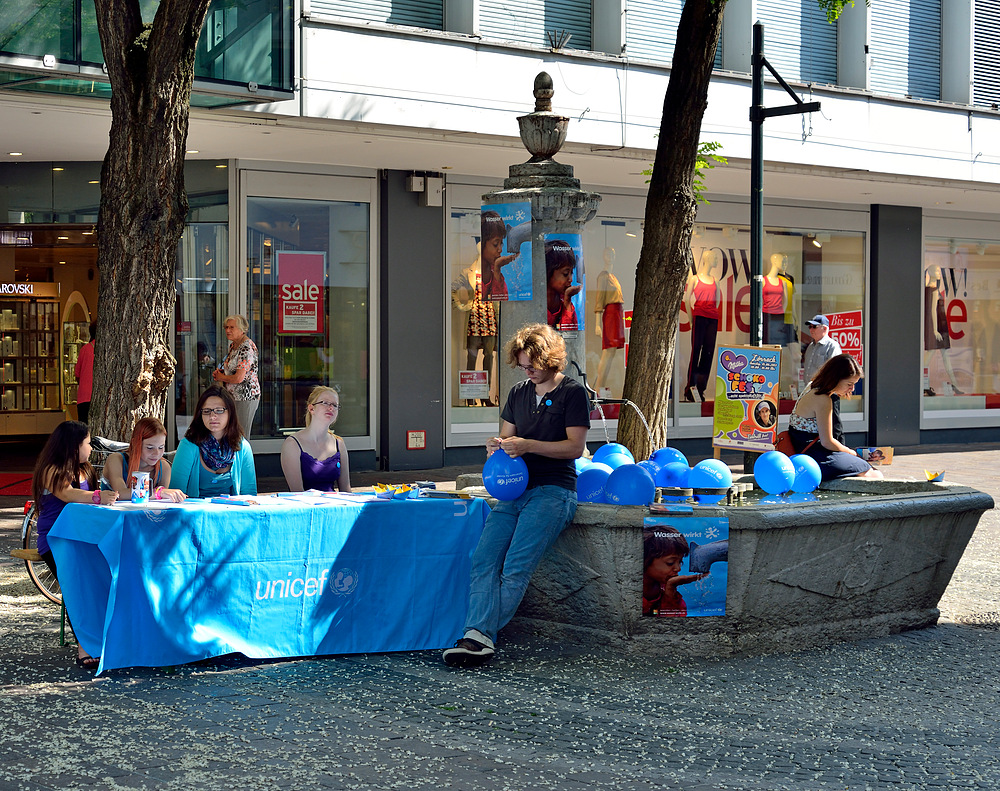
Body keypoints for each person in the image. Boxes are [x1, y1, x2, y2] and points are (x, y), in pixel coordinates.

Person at [443, 323, 591, 667]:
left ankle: (477, 635)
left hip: (554, 491)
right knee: (483, 559)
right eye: (523, 365)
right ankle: (478, 637)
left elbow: (575, 447)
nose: (527, 371)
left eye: (532, 366)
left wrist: (528, 445)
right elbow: (505, 441)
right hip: (514, 489)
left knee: (515, 567)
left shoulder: (572, 393)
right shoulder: (519, 392)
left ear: (550, 359)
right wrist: (495, 446)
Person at [32, 420, 119, 668]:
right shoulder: (51, 469)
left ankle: (105, 640)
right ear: (73, 445)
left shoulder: (86, 469)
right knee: (78, 587)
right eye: (87, 442)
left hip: (83, 538)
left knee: (106, 578)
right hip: (55, 539)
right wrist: (96, 496)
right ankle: (85, 647)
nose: (91, 448)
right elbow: (67, 494)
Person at [787, 354, 882, 480]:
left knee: (867, 468)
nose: (852, 389)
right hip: (815, 457)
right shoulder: (823, 399)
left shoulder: (812, 387)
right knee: (874, 474)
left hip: (803, 451)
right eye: (849, 384)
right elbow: (827, 442)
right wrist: (851, 453)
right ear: (835, 378)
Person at [172, 385, 258, 497]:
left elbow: (249, 494)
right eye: (207, 411)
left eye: (219, 410)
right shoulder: (188, 446)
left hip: (230, 512)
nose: (212, 416)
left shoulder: (242, 447)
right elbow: (175, 494)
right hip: (197, 513)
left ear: (230, 413)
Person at [280, 386, 352, 492]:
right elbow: (297, 493)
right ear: (311, 408)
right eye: (325, 403)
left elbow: (346, 490)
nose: (331, 408)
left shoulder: (339, 443)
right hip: (305, 507)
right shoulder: (292, 444)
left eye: (335, 405)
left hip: (334, 506)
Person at [103, 417, 187, 503]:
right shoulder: (116, 460)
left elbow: (160, 503)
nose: (156, 453)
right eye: (150, 448)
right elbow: (120, 494)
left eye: (161, 447)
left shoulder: (164, 467)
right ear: (136, 443)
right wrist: (157, 492)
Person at [212, 314, 261, 435]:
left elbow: (239, 377)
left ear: (242, 329)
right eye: (226, 327)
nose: (228, 330)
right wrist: (223, 372)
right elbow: (233, 369)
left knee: (241, 434)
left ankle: (243, 455)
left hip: (245, 397)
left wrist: (221, 377)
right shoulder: (234, 345)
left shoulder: (246, 347)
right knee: (232, 433)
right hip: (233, 397)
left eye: (232, 327)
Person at [642, 527, 707, 617]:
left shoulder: (664, 588)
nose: (678, 568)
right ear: (645, 561)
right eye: (670, 563)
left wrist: (670, 593)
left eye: (680, 562)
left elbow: (673, 622)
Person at [684, 249, 722, 402]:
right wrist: (691, 318)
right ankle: (691, 387)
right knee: (696, 352)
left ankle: (701, 388)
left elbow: (717, 301)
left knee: (708, 353)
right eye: (715, 257)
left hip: (712, 318)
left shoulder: (715, 280)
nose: (717, 260)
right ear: (707, 258)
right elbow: (687, 300)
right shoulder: (694, 278)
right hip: (699, 316)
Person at [593, 246, 625, 392]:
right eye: (607, 253)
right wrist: (597, 324)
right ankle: (598, 386)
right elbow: (599, 299)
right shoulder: (603, 276)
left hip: (617, 314)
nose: (610, 256)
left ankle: (602, 386)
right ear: (603, 256)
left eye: (613, 253)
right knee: (607, 351)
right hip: (610, 314)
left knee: (612, 352)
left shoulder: (614, 277)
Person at [545, 239, 582, 331]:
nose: (570, 280)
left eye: (571, 273)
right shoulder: (536, 304)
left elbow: (569, 336)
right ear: (548, 273)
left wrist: (567, 301)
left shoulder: (565, 301)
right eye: (565, 274)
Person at [480, 211, 516, 300]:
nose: (500, 250)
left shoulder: (494, 270)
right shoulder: (473, 271)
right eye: (496, 244)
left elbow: (502, 300)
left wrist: (497, 270)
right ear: (481, 244)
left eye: (501, 244)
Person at [802, 314, 842, 385]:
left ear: (825, 329)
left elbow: (835, 372)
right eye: (810, 327)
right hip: (809, 390)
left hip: (823, 391)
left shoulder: (832, 346)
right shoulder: (810, 347)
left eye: (814, 327)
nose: (811, 329)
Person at [74, 322, 97, 424]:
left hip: (84, 397)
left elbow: (77, 374)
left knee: (84, 429)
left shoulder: (85, 349)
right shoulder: (108, 349)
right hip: (98, 396)